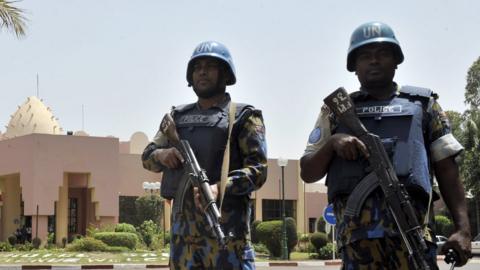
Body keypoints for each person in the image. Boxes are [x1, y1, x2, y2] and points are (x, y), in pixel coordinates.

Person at [300, 22, 471, 269]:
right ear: (354, 66)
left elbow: (447, 169)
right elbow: (308, 172)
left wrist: (463, 229)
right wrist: (332, 143)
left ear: (396, 60)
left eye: (382, 54)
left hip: (413, 240)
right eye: (365, 56)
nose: (374, 61)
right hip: (357, 247)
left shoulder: (424, 106)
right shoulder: (335, 112)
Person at [142, 41, 267, 270]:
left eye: (210, 66)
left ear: (225, 73)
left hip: (226, 237)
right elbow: (147, 155)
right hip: (183, 242)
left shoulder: (243, 117)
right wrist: (162, 154)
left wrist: (221, 187)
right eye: (197, 67)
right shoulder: (176, 117)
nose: (202, 71)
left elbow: (258, 171)